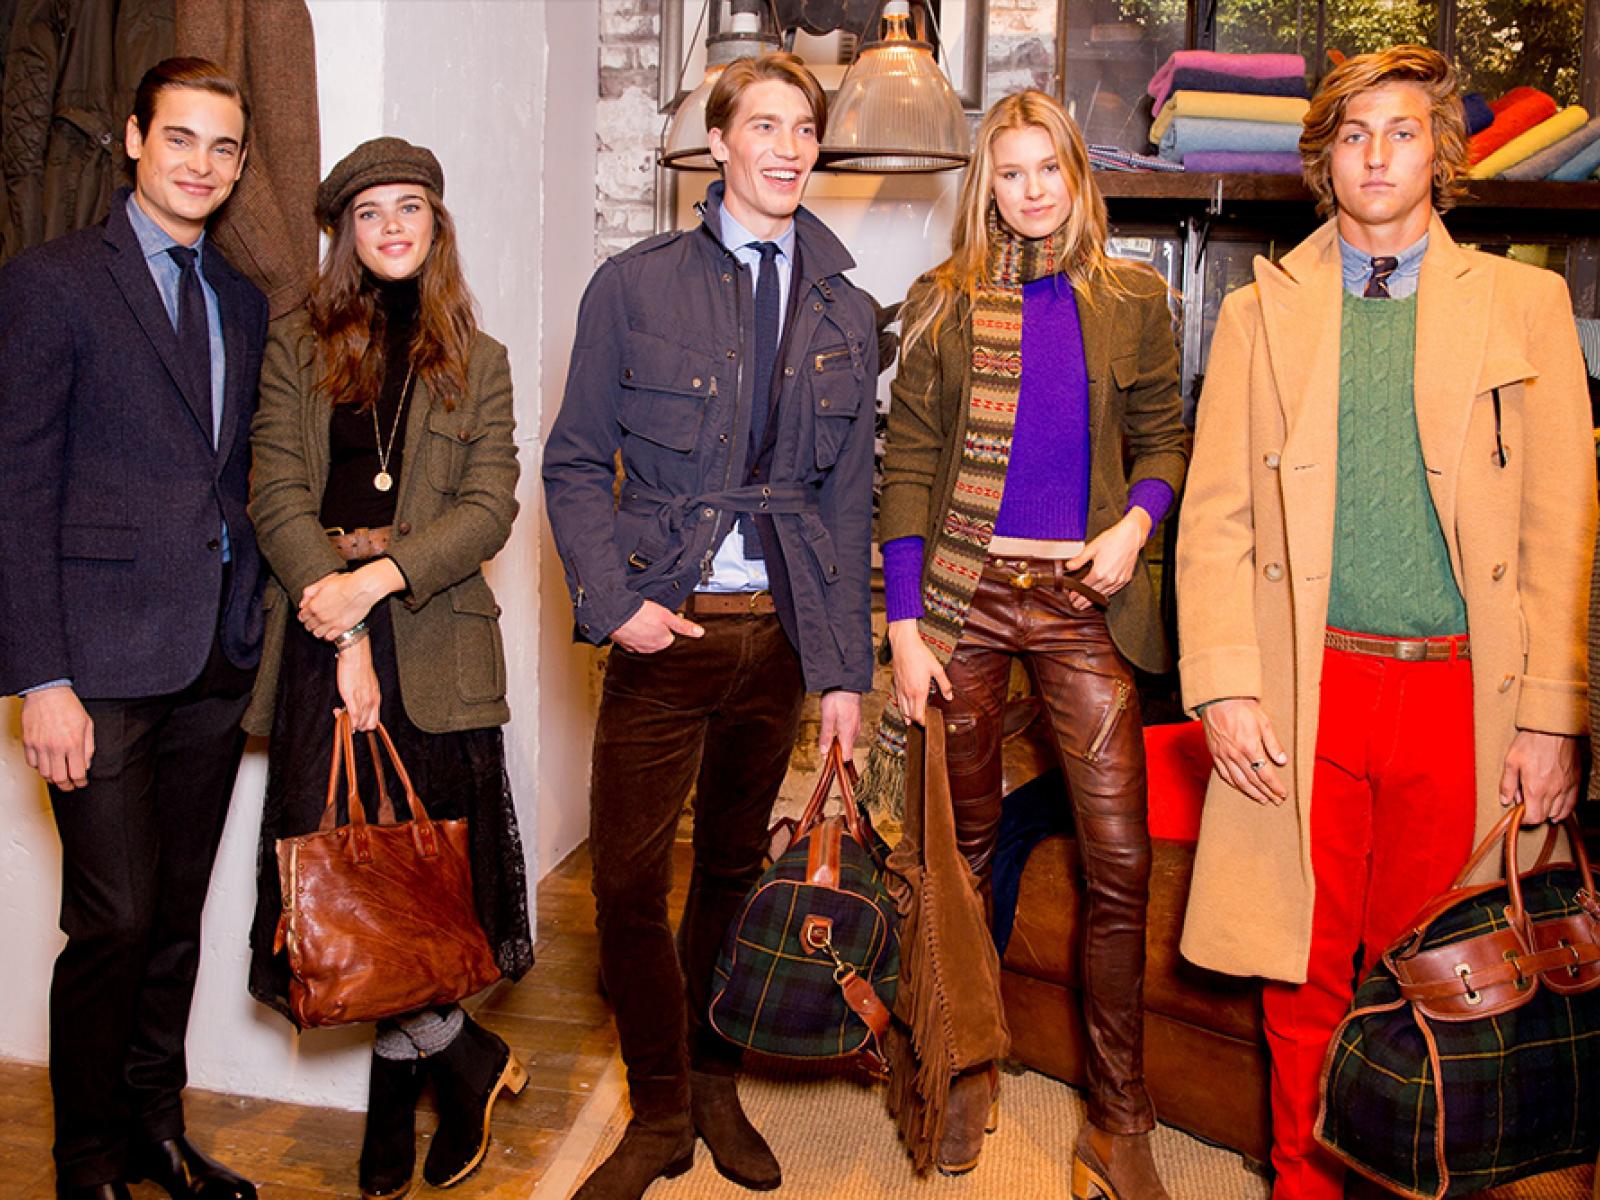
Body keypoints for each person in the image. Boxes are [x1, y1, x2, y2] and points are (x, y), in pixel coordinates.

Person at [1176, 46, 1595, 1200]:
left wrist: (1553, 716)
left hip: (1461, 695)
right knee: (1297, 973)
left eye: (1401, 132)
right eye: (1353, 134)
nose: (1375, 155)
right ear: (1323, 160)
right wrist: (1224, 685)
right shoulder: (1259, 311)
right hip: (1301, 692)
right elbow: (1213, 518)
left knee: (1450, 977)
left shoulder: (1524, 305)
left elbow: (1563, 527)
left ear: (1439, 156)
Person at [543, 50, 878, 1200]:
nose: (787, 148)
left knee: (734, 872)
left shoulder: (848, 308)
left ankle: (712, 1079)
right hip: (665, 630)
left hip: (777, 640)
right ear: (719, 141)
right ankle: (657, 1112)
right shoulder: (633, 287)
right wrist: (614, 605)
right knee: (629, 887)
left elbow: (846, 501)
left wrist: (843, 671)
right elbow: (574, 462)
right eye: (765, 125)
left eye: (804, 129)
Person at [868, 89, 1186, 1195]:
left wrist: (1133, 525)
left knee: (1120, 859)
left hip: (1080, 600)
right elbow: (908, 461)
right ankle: (964, 1066)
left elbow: (1164, 440)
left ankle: (1119, 1117)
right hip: (962, 600)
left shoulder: (1132, 299)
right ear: (987, 186)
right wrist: (903, 626)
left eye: (1048, 167)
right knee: (959, 853)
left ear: (1077, 176)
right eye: (1010, 172)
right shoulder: (945, 302)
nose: (1032, 189)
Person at [242, 137, 532, 1200]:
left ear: (436, 224)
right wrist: (347, 627)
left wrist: (377, 583)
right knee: (344, 868)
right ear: (345, 235)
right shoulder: (296, 347)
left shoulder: (479, 359)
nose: (392, 227)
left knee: (420, 877)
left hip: (438, 643)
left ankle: (396, 1095)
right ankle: (465, 1058)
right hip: (324, 637)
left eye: (410, 208)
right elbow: (277, 495)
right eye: (370, 213)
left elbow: (489, 507)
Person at [0, 58, 266, 1200]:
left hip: (213, 656)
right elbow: (15, 489)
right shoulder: (50, 283)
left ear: (241, 165)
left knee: (173, 919)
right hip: (96, 667)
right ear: (133, 138)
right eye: (180, 138)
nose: (200, 164)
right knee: (110, 921)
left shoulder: (242, 299)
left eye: (223, 147)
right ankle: (87, 1164)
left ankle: (157, 1131)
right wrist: (40, 677)